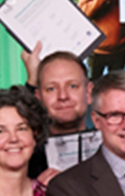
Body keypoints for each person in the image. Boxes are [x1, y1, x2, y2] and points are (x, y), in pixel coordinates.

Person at [31, 51, 95, 179]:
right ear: (39, 98)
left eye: (72, 86)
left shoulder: (113, 149)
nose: (63, 96)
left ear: (88, 93)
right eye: (51, 89)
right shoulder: (23, 158)